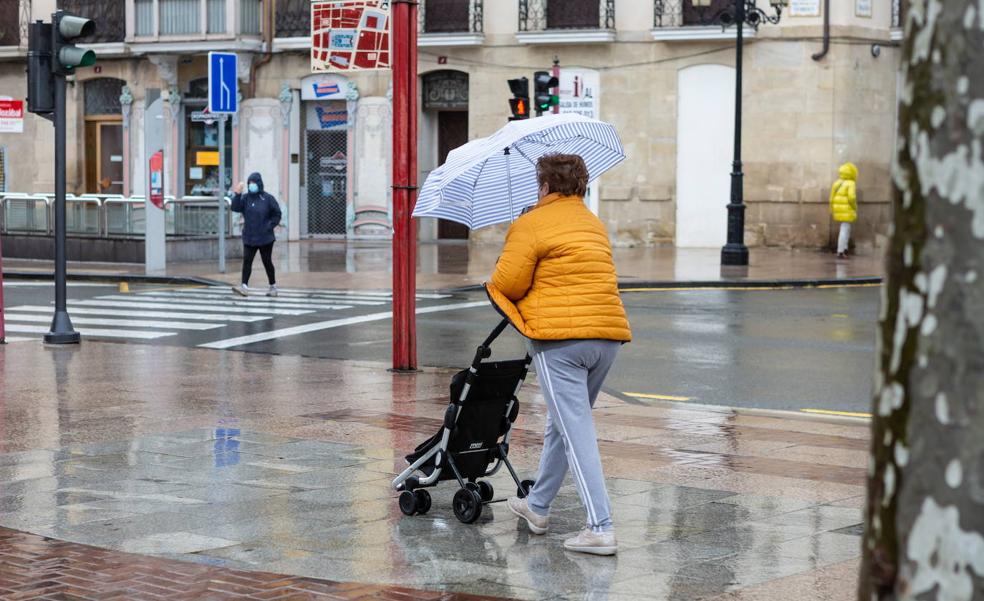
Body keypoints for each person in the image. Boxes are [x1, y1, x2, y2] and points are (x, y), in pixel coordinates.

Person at [486, 153, 632, 556]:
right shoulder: (593, 223)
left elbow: (508, 284)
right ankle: (537, 505)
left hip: (561, 342)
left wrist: (511, 245)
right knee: (563, 424)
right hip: (606, 338)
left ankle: (600, 526)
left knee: (575, 431)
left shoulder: (531, 223)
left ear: (545, 186)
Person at [230, 172, 282, 297]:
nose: (251, 185)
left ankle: (273, 287)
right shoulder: (246, 198)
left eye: (253, 183)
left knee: (267, 261)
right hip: (249, 237)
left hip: (265, 238)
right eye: (249, 183)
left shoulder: (267, 198)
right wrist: (237, 194)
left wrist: (269, 226)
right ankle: (244, 286)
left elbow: (277, 213)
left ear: (259, 183)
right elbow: (235, 208)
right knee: (247, 261)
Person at [829, 162, 858, 259]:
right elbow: (852, 198)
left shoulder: (837, 183)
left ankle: (844, 249)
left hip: (838, 209)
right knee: (845, 228)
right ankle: (841, 251)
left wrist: (832, 208)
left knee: (846, 227)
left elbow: (831, 197)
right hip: (847, 209)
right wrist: (854, 207)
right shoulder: (851, 183)